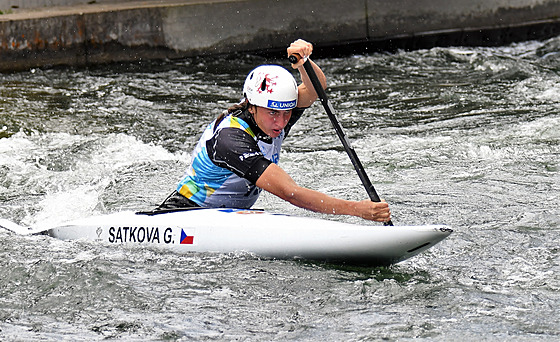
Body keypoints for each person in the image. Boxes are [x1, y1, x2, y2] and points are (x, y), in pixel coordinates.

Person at [158, 39, 391, 222]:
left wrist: (304, 63)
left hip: (227, 216)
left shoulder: (275, 110)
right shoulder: (231, 139)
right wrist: (357, 209)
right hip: (184, 216)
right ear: (251, 105)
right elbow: (291, 193)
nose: (281, 123)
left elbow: (315, 90)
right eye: (273, 114)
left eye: (287, 113)